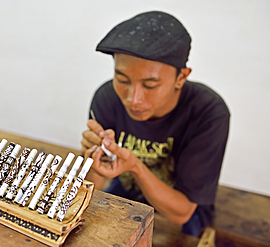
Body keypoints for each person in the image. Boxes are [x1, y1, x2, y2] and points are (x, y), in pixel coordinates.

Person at [81, 11, 230, 237]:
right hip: (129, 190)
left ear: (181, 77)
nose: (133, 99)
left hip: (181, 208)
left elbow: (181, 212)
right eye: (122, 79)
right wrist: (91, 160)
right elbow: (95, 186)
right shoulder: (107, 97)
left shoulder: (208, 112)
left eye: (150, 84)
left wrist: (135, 166)